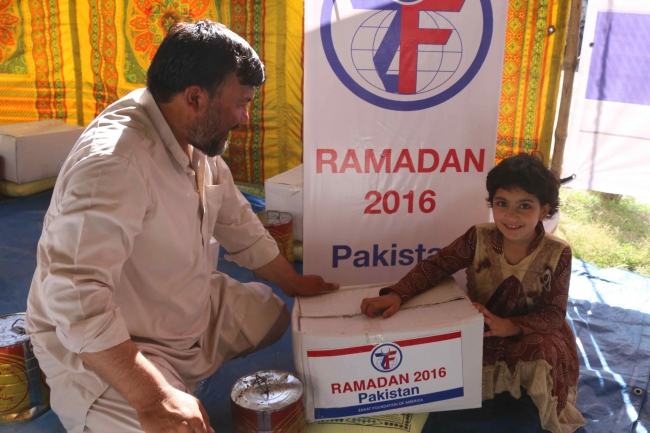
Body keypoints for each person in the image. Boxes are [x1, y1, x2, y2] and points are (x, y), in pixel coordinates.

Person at [25, 20, 338, 433]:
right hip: (111, 343)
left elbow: (237, 220)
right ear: (195, 97)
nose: (244, 118)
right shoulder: (113, 164)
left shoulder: (188, 128)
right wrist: (153, 397)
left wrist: (293, 282)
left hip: (176, 302)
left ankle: (177, 379)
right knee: (180, 427)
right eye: (241, 103)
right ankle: (132, 390)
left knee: (274, 314)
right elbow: (75, 300)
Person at [360, 153, 586, 433]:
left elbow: (553, 314)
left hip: (530, 331)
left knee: (543, 348)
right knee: (448, 341)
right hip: (482, 324)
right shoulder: (478, 236)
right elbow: (438, 265)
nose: (511, 215)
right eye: (502, 203)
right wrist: (397, 294)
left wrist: (511, 326)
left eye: (524, 206)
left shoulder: (558, 251)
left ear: (544, 210)